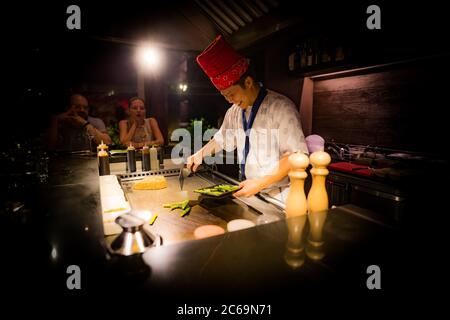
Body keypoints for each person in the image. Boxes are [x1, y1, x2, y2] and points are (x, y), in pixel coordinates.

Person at [187, 35, 308, 203]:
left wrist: (259, 183)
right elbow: (221, 139)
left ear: (249, 82)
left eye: (231, 94)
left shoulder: (281, 107)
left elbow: (295, 156)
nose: (229, 100)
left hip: (278, 196)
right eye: (225, 96)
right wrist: (200, 154)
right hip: (250, 192)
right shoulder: (234, 112)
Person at [47, 94, 111, 151]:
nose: (82, 110)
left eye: (85, 107)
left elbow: (107, 143)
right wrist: (54, 120)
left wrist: (85, 123)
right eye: (77, 107)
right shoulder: (61, 122)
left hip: (90, 161)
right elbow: (49, 147)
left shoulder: (96, 122)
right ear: (68, 108)